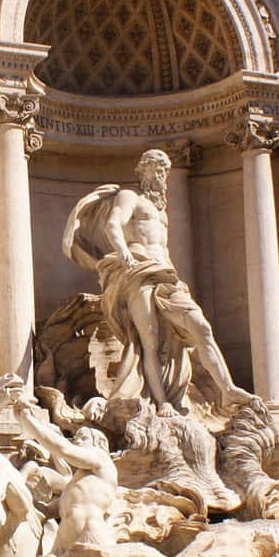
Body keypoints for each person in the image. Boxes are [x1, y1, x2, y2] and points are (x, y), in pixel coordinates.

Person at [62, 149, 253, 415]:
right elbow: (113, 225)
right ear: (141, 171)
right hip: (136, 272)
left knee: (201, 328)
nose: (160, 174)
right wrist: (123, 250)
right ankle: (162, 402)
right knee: (148, 340)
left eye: (163, 169)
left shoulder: (161, 212)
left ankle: (228, 389)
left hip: (167, 277)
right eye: (154, 168)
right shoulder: (129, 197)